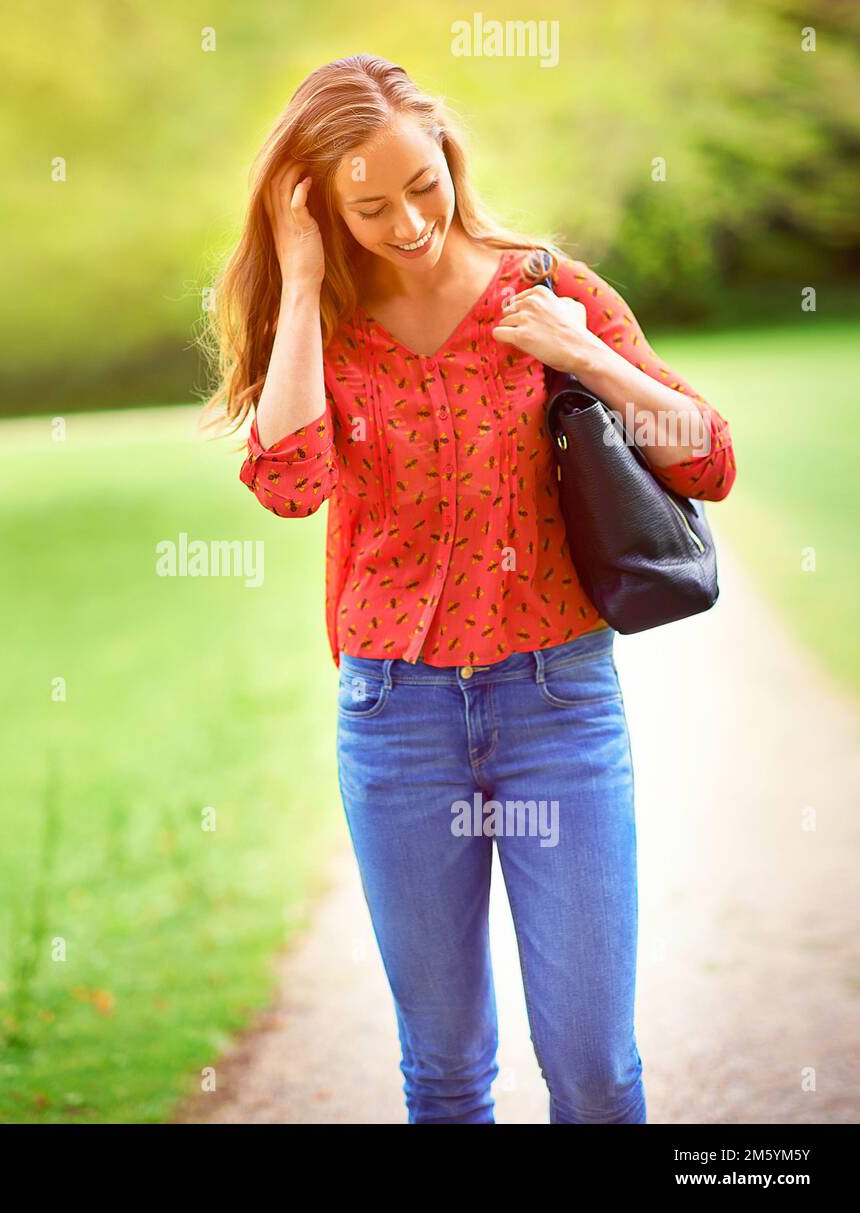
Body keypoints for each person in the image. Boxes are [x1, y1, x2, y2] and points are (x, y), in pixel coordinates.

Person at [201, 53, 735, 1124]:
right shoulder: (319, 326)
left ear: (449, 154)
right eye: (367, 206)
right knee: (442, 1066)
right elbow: (290, 483)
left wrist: (588, 359)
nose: (406, 220)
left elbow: (706, 460)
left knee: (590, 1060)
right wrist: (301, 283)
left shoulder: (545, 288)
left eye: (423, 183)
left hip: (558, 706)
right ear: (315, 209)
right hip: (396, 720)